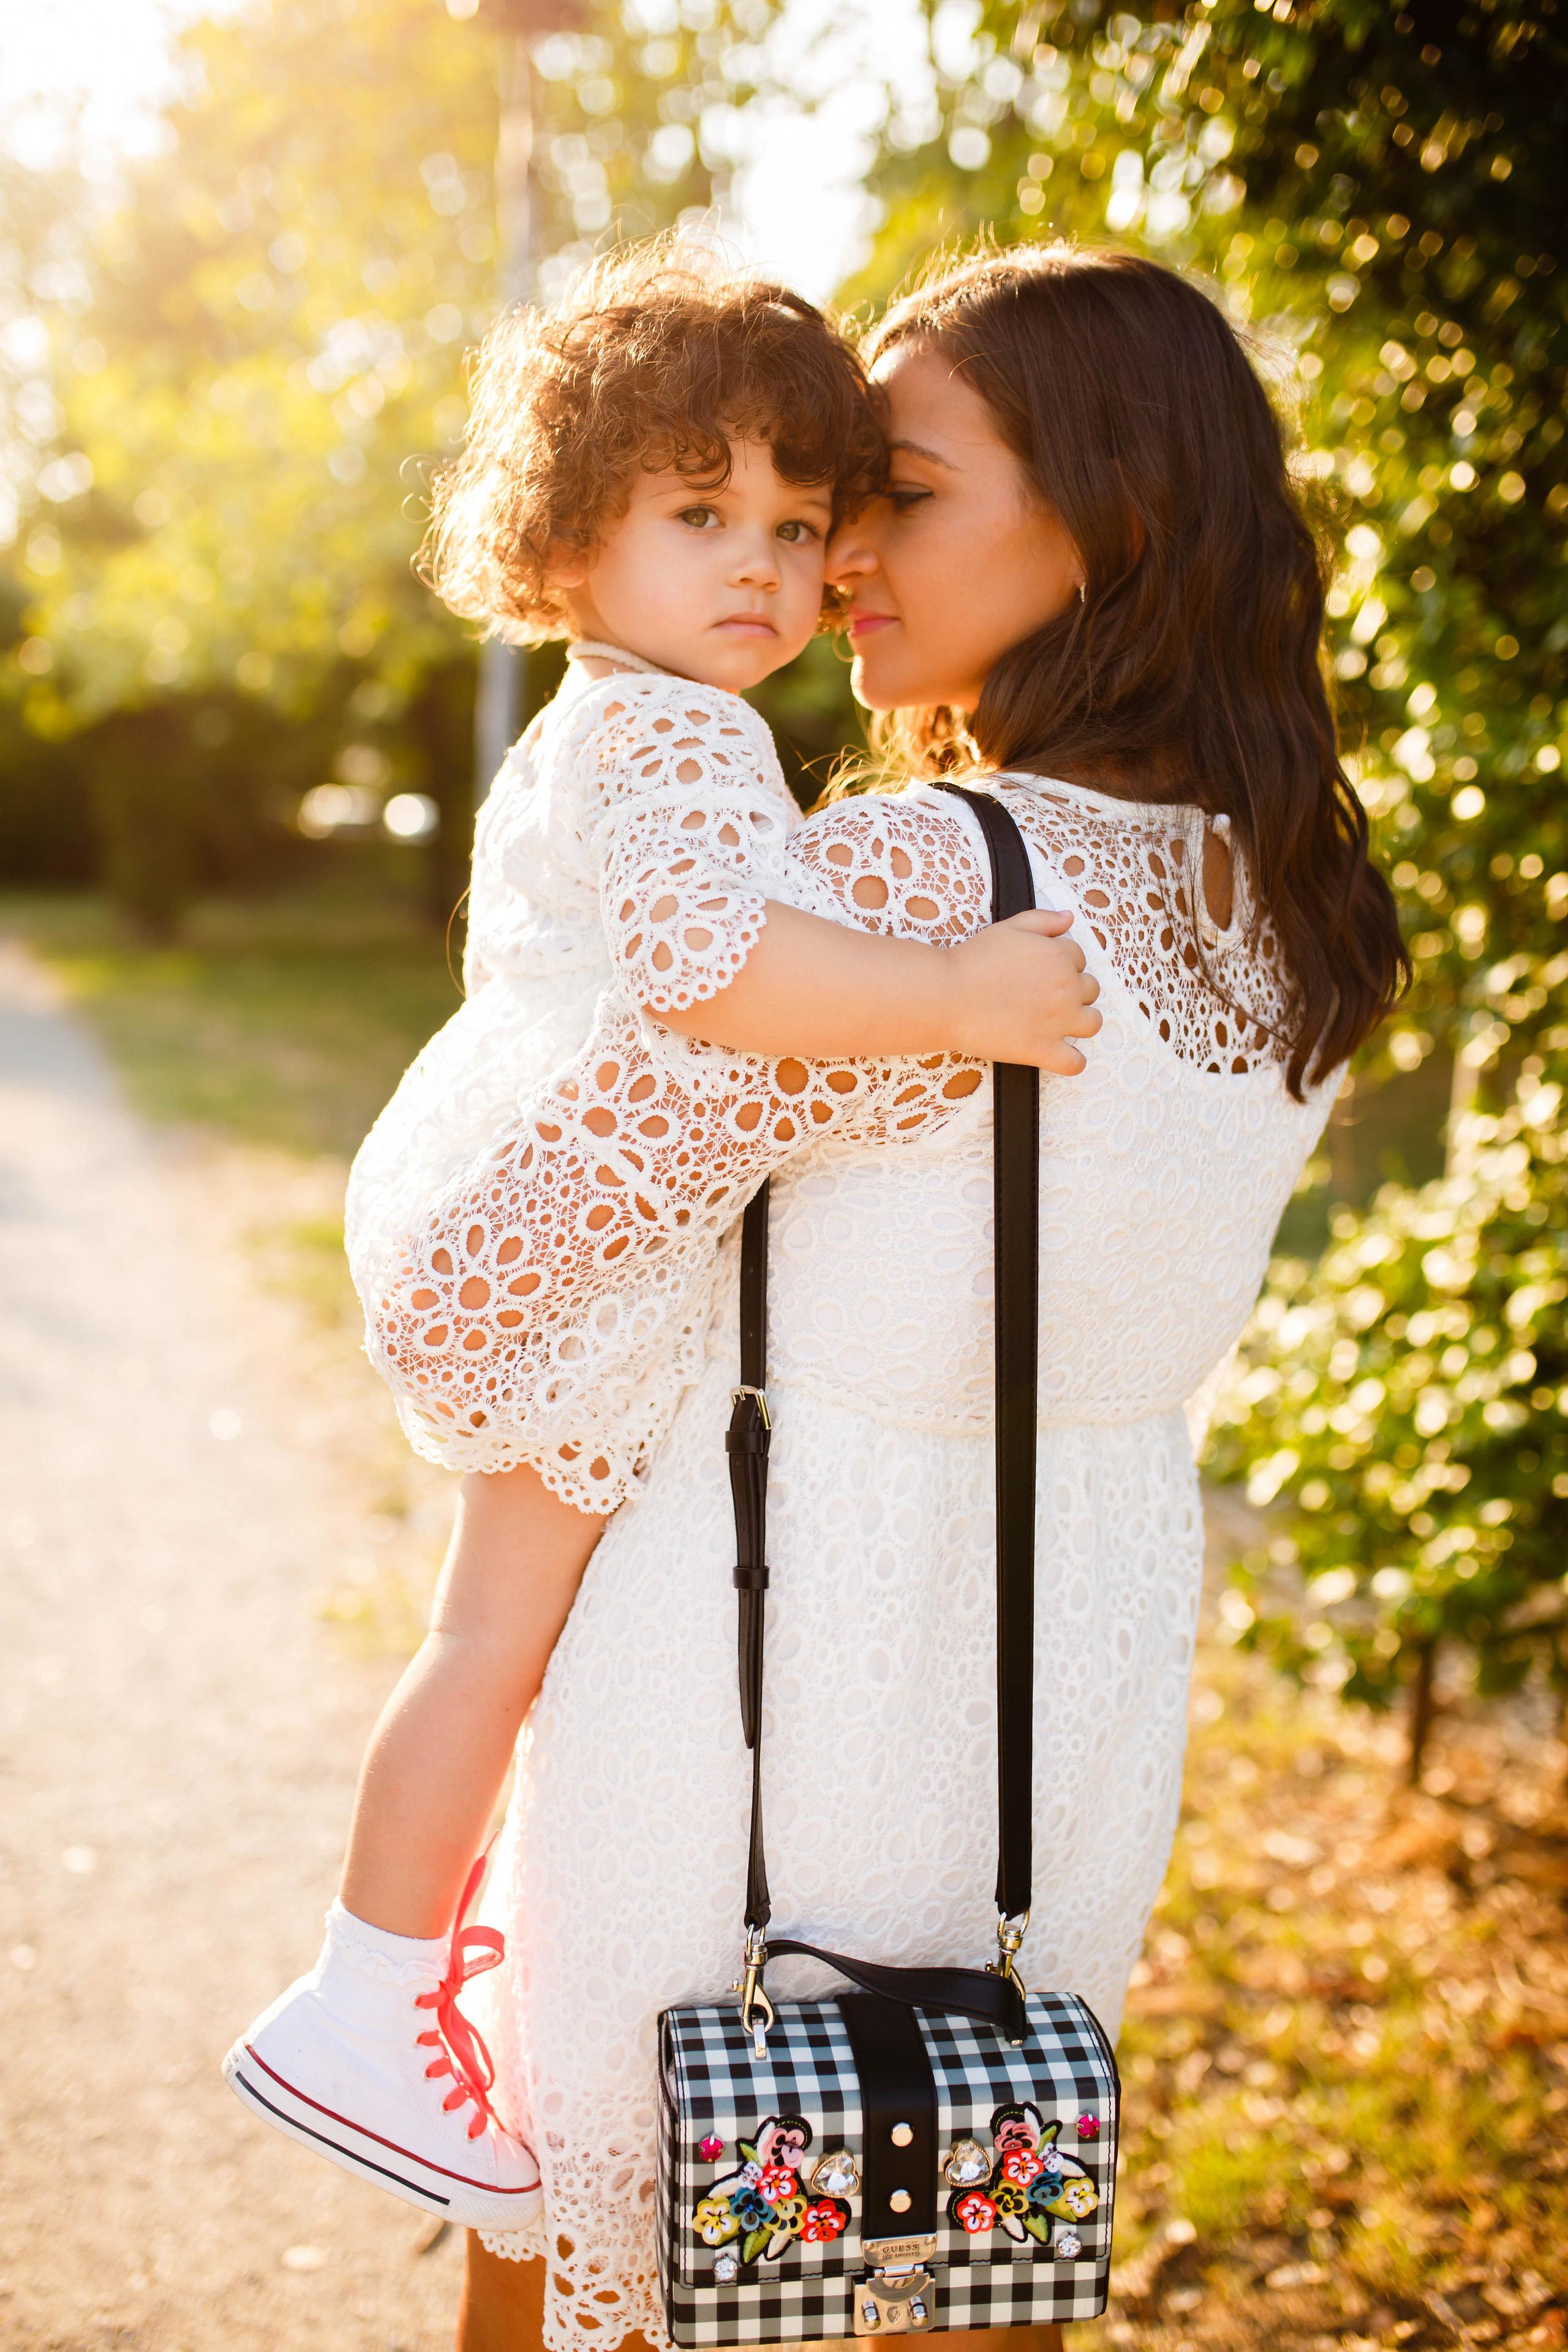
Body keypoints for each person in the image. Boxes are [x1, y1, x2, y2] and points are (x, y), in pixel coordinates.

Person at [364, 239, 1408, 2352]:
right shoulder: (1295, 905)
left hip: (764, 1699)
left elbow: (477, 1303)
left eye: (893, 489)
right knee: (944, 2247)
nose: (834, 557)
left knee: (622, 2280)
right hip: (1065, 1690)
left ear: (1105, 515)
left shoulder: (920, 884)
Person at [221, 241, 1100, 2234]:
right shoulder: (679, 741)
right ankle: (362, 2003)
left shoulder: (612, 722)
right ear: (567, 534)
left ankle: (396, 1989)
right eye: (698, 514)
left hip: (507, 1226)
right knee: (494, 1646)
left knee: (488, 1638)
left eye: (801, 525)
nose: (765, 571)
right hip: (542, 1244)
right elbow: (717, 970)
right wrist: (958, 995)